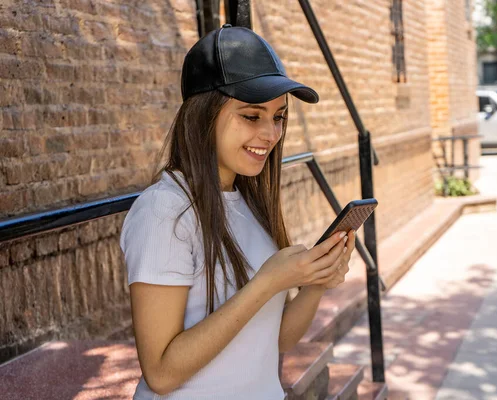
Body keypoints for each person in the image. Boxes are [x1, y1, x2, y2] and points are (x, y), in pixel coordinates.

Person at [120, 25, 356, 399]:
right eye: (252, 116)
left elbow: (276, 338)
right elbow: (161, 374)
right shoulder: (164, 211)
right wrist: (266, 282)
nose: (271, 134)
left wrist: (315, 283)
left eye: (278, 117)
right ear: (203, 114)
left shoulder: (248, 202)